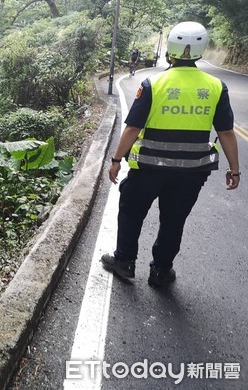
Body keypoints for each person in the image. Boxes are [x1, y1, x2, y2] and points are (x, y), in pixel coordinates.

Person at [101, 21, 241, 287]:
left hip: (149, 169)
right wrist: (234, 170)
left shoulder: (154, 83)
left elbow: (132, 128)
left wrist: (116, 160)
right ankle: (161, 270)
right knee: (173, 220)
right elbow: (226, 133)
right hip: (190, 173)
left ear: (171, 49)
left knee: (131, 211)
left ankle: (125, 261)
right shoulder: (215, 87)